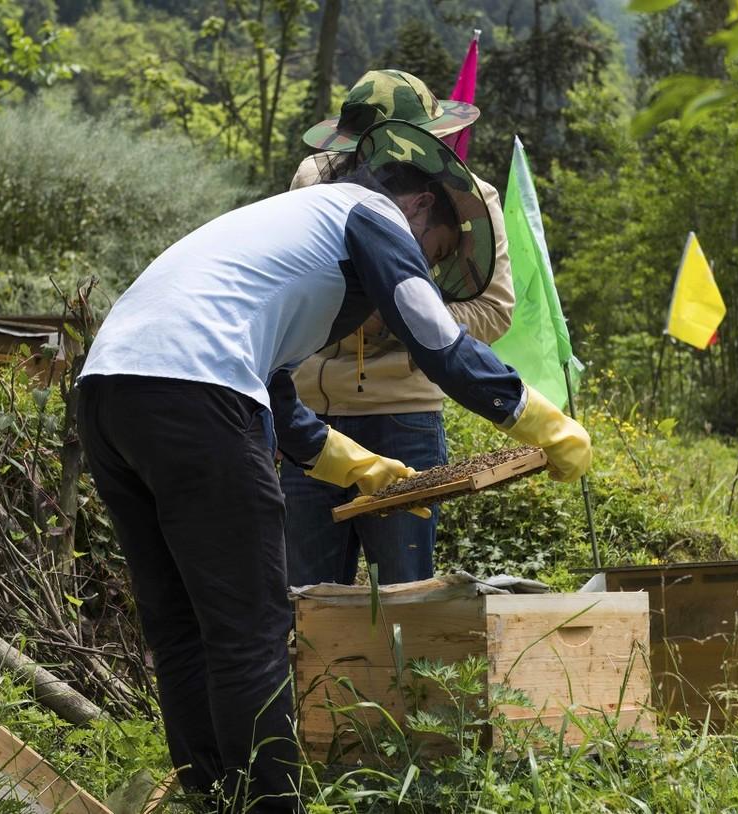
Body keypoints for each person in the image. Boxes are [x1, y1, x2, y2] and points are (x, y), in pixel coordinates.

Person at [76, 120, 591, 811]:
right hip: (197, 394)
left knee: (184, 628)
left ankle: (210, 796)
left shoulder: (288, 227)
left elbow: (276, 394)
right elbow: (436, 338)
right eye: (433, 252)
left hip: (110, 393)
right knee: (253, 629)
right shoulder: (370, 214)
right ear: (422, 207)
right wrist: (539, 419)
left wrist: (357, 466)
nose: (421, 267)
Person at [283, 69, 515, 587]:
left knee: (406, 597)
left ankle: (403, 674)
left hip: (403, 419)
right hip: (309, 417)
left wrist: (400, 313)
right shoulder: (313, 179)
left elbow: (494, 309)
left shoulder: (471, 201)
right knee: (305, 600)